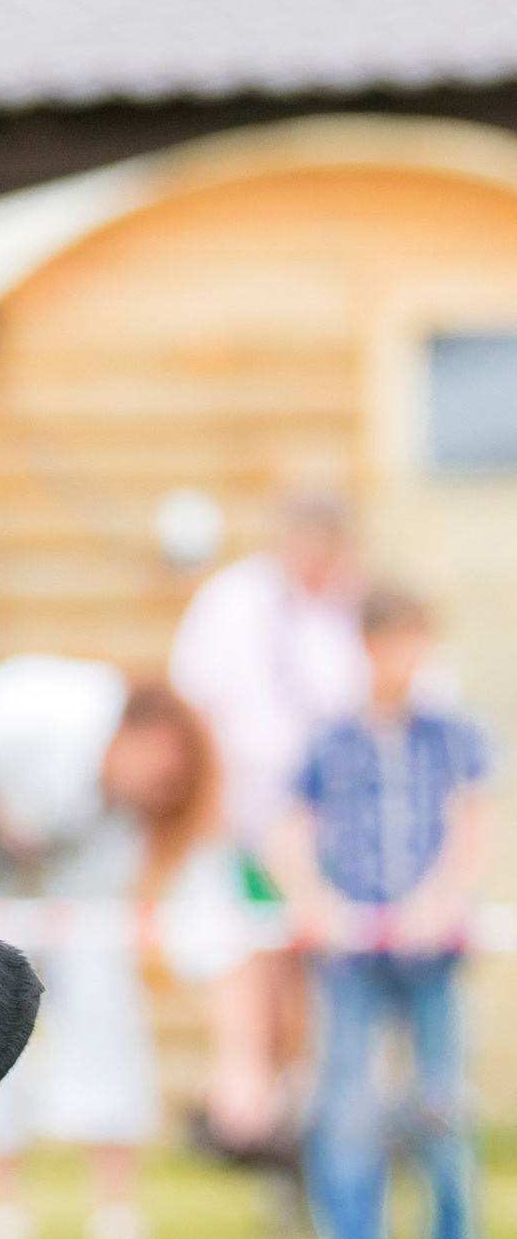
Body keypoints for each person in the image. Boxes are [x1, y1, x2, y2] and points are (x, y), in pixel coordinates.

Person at [0, 655, 230, 1239]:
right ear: (137, 733)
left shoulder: (127, 821)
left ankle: (116, 1209)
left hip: (73, 890)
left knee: (105, 1018)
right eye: (157, 768)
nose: (158, 786)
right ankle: (0, 1207)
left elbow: (193, 899)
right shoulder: (48, 704)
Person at [270, 584, 494, 1239]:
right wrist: (315, 901)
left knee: (444, 1106)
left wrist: (442, 898)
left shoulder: (450, 737)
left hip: (431, 955)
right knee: (350, 1110)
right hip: (355, 956)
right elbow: (292, 830)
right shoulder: (332, 739)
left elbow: (472, 823)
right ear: (367, 646)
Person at [168, 486, 368, 1157]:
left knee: (317, 1001)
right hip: (247, 833)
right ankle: (247, 1124)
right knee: (252, 988)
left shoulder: (352, 609)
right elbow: (196, 713)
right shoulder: (233, 604)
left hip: (335, 838)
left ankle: (309, 1132)